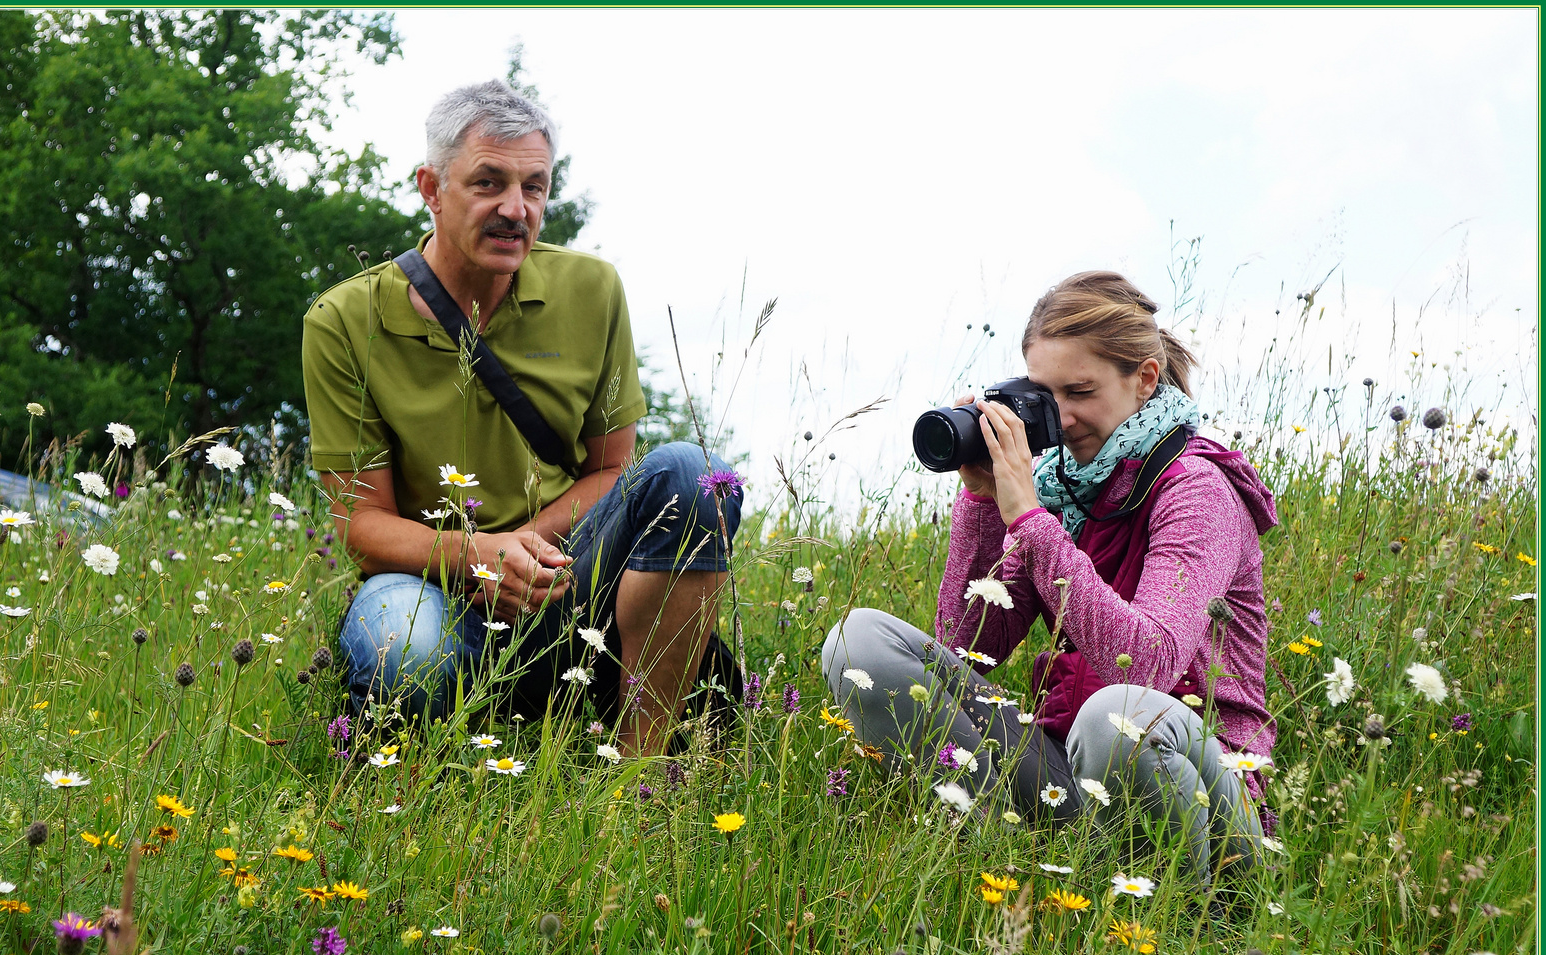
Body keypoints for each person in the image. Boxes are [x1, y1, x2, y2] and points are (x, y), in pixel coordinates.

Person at [302, 80, 742, 754]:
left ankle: (639, 766)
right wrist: (476, 559)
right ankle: (430, 755)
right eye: (488, 183)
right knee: (401, 652)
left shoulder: (591, 288)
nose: (515, 209)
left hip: (567, 575)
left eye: (534, 187)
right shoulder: (342, 321)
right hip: (434, 589)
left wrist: (521, 552)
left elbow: (610, 470)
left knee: (694, 473)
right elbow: (360, 526)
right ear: (430, 186)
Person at [822, 271, 1280, 883]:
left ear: (1144, 379)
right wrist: (986, 499)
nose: (1058, 419)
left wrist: (1032, 522)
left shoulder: (1197, 489)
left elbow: (1146, 664)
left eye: (1079, 391)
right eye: (1042, 396)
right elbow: (966, 648)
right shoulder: (1065, 491)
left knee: (1114, 716)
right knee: (861, 644)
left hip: (1201, 804)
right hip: (1075, 775)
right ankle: (1021, 868)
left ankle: (1211, 909)